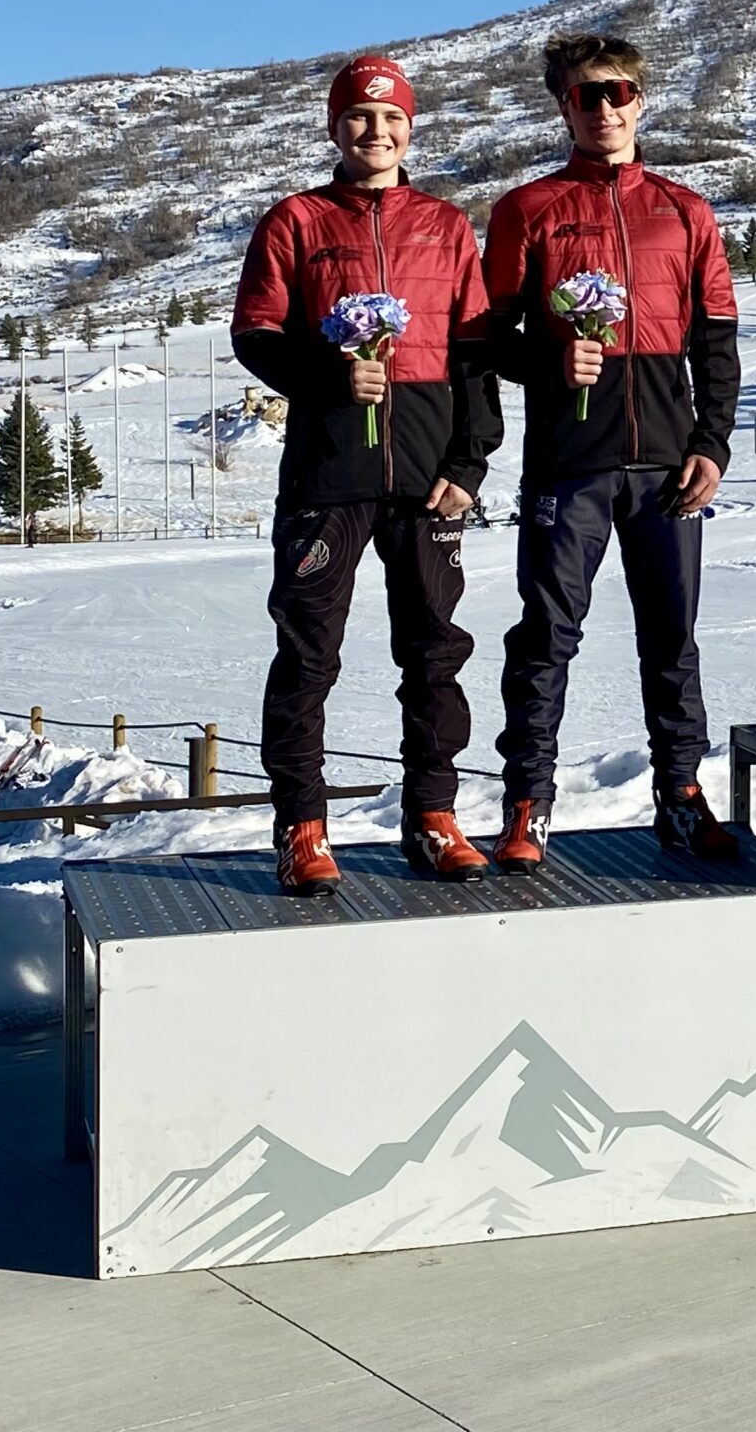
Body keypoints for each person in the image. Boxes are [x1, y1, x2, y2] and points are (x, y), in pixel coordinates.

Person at [233, 54, 503, 895]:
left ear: (410, 128)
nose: (374, 131)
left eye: (390, 119)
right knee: (309, 654)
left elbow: (474, 353)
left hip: (427, 476)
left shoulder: (446, 225)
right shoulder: (296, 221)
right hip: (328, 472)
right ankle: (302, 827)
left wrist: (470, 462)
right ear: (334, 128)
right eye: (358, 117)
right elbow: (256, 332)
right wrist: (326, 374)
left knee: (434, 651)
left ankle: (432, 813)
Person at [484, 33, 742, 864]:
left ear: (641, 100)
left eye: (618, 92)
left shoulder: (684, 210)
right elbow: (485, 336)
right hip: (572, 462)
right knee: (547, 637)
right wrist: (551, 361)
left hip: (669, 467)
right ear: (563, 105)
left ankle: (681, 792)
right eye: (586, 96)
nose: (604, 108)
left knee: (673, 639)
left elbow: (719, 340)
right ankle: (528, 801)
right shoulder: (529, 209)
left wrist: (713, 444)